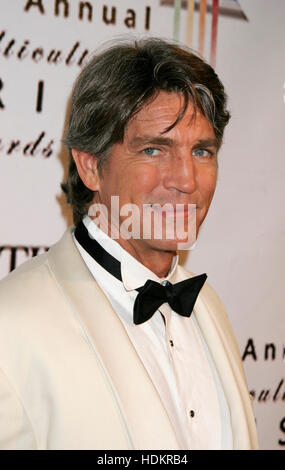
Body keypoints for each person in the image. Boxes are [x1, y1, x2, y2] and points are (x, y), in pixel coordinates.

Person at [0, 38, 258, 450]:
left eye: (202, 151)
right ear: (90, 166)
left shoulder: (207, 303)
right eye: (154, 149)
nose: (187, 180)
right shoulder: (9, 325)